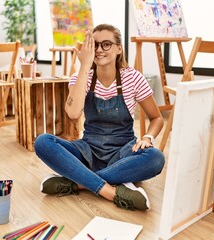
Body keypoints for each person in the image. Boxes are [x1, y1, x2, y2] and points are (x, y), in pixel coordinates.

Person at [34, 24, 165, 211]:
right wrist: (85, 66)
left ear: (119, 49)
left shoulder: (134, 78)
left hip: (123, 153)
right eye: (94, 45)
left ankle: (77, 182)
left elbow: (157, 118)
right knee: (42, 142)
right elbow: (73, 113)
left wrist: (147, 138)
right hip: (88, 151)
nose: (99, 50)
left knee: (156, 158)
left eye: (106, 44)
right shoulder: (81, 77)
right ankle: (111, 192)